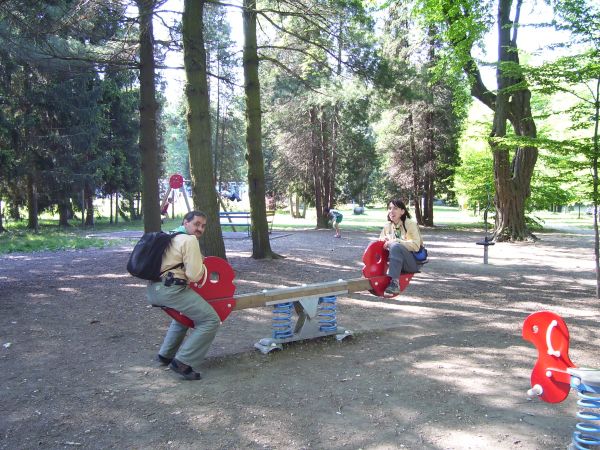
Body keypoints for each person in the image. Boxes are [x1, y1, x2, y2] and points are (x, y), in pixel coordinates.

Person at [146, 210, 220, 380]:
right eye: (196, 224)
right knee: (211, 320)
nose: (200, 228)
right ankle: (182, 362)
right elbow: (194, 275)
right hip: (172, 290)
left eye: (203, 226)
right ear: (185, 222)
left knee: (184, 316)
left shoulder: (171, 235)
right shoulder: (189, 240)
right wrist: (201, 266)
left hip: (154, 289)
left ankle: (165, 354)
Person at [379, 199, 423, 295]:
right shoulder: (388, 226)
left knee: (395, 245)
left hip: (412, 263)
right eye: (390, 208)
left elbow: (416, 246)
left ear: (402, 212)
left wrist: (396, 241)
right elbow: (380, 244)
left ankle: (395, 284)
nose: (391, 211)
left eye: (395, 208)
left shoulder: (410, 224)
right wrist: (385, 242)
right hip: (396, 262)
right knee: (390, 245)